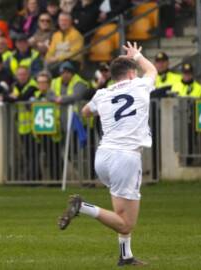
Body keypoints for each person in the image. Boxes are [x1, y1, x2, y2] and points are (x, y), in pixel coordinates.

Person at [58, 42, 157, 267]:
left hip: (103, 156)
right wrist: (138, 55)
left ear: (112, 77)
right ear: (132, 73)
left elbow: (85, 112)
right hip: (126, 157)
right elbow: (152, 71)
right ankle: (82, 207)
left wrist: (101, 112)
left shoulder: (102, 93)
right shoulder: (140, 86)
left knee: (119, 210)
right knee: (125, 223)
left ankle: (126, 255)